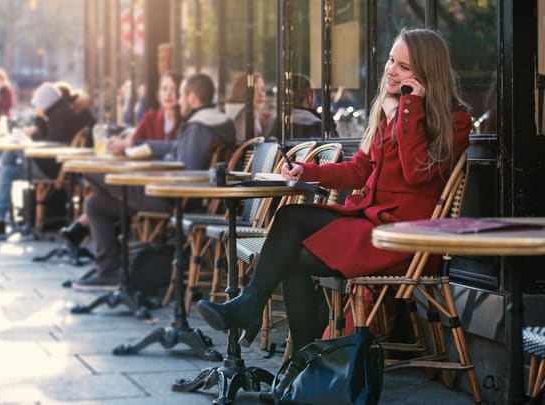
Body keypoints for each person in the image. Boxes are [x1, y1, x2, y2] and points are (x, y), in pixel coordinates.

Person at [196, 27, 472, 394]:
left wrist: (408, 108)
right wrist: (307, 171)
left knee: (292, 256)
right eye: (390, 60)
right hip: (370, 222)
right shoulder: (388, 110)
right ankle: (256, 308)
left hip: (404, 238)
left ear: (426, 73)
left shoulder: (453, 119)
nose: (390, 70)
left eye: (403, 66)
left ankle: (301, 359)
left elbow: (415, 170)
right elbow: (358, 169)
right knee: (291, 216)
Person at [72, 72, 236, 291]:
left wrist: (155, 162)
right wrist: (150, 149)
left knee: (89, 170)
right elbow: (179, 150)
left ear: (192, 97)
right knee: (95, 204)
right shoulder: (212, 120)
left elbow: (186, 169)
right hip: (178, 195)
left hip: (173, 198)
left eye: (180, 94)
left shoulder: (198, 126)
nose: (178, 99)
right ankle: (109, 270)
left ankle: (114, 271)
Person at [0, 82, 93, 237]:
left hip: (52, 168)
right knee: (7, 171)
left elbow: (51, 143)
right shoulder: (57, 112)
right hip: (52, 166)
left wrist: (33, 134)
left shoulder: (61, 115)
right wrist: (40, 120)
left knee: (13, 146)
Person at [226, 72, 272, 140]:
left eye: (263, 89)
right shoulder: (240, 114)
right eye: (254, 90)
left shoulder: (258, 115)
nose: (261, 94)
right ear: (242, 91)